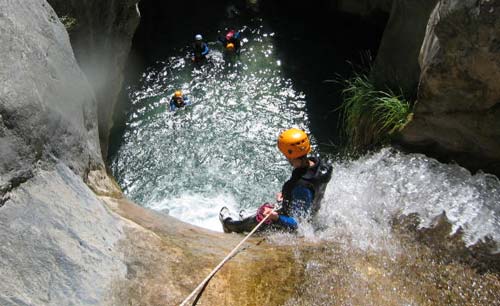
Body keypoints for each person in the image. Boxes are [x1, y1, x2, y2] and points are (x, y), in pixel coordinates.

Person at [219, 128, 333, 233]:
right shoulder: (322, 167)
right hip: (312, 212)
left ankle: (229, 224)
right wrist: (288, 196)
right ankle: (248, 218)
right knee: (268, 208)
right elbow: (313, 193)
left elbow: (297, 223)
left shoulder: (301, 187)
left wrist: (276, 217)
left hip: (291, 225)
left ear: (290, 156)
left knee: (262, 218)